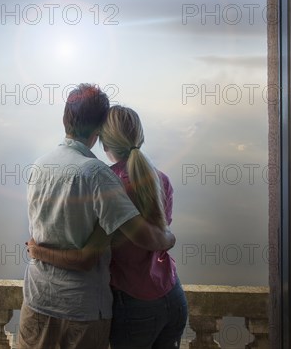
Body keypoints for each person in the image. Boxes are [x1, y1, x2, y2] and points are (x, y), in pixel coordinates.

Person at [18, 85, 176, 349]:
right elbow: (140, 240)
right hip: (81, 309)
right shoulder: (98, 174)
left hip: (37, 300)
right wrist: (169, 238)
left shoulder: (39, 164)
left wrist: (37, 251)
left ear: (64, 119)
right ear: (99, 129)